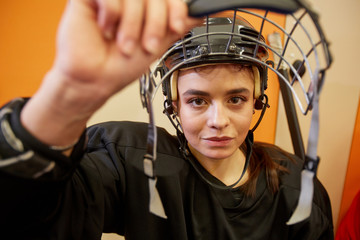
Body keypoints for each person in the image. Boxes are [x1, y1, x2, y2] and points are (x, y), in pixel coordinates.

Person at [0, 0, 333, 239]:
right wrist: (70, 94)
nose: (218, 120)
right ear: (174, 105)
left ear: (257, 100)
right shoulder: (132, 163)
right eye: (197, 101)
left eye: (236, 99)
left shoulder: (295, 189)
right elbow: (30, 215)